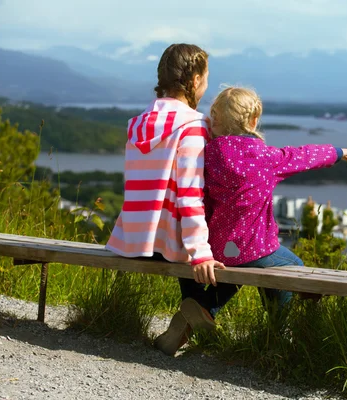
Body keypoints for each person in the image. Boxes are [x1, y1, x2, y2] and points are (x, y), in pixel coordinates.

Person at [175, 86, 347, 343]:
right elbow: (303, 156)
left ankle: (203, 308)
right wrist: (338, 153)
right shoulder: (265, 157)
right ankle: (277, 332)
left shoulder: (208, 154)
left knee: (236, 269)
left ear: (214, 120)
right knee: (294, 268)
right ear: (253, 121)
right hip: (253, 247)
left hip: (216, 249)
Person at [105, 43, 225, 356]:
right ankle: (201, 311)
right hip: (171, 245)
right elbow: (189, 194)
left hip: (134, 241)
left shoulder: (137, 123)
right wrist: (201, 253)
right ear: (196, 80)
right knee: (241, 252)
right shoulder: (193, 126)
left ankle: (191, 319)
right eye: (207, 78)